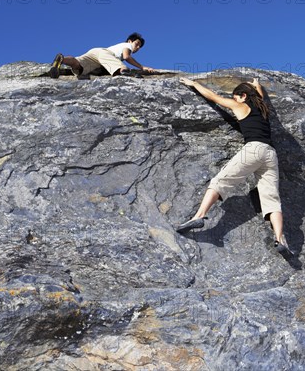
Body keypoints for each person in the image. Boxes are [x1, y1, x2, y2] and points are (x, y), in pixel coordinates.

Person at [177, 77, 292, 256]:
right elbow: (259, 95)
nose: (234, 100)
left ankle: (199, 216)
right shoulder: (263, 108)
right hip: (270, 154)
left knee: (220, 181)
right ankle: (280, 238)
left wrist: (194, 84)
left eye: (235, 97)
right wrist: (257, 85)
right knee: (271, 199)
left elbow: (214, 97)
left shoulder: (240, 106)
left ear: (243, 96)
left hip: (253, 149)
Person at [49, 32, 155, 79]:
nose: (137, 47)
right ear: (130, 41)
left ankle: (62, 59)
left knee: (77, 64)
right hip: (104, 54)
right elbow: (127, 57)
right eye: (137, 44)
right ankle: (124, 72)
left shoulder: (120, 46)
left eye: (139, 47)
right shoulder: (127, 45)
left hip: (95, 54)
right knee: (122, 68)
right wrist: (142, 67)